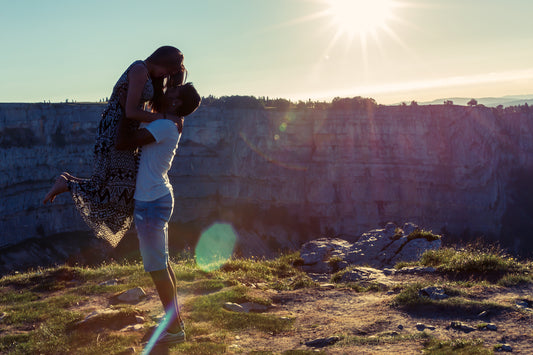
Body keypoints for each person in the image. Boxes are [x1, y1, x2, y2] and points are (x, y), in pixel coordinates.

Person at [43, 46, 186, 247]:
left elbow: (134, 109)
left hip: (123, 130)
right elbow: (130, 111)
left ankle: (68, 181)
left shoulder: (146, 74)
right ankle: (66, 184)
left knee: (119, 187)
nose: (165, 76)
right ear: (161, 60)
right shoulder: (139, 70)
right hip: (113, 131)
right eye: (168, 70)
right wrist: (165, 117)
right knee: (117, 190)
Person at [116, 83, 201, 345]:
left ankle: (175, 330)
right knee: (163, 264)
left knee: (156, 268)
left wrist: (124, 108)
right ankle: (174, 321)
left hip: (151, 202)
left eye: (174, 92)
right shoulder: (170, 122)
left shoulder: (165, 125)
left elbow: (123, 142)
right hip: (157, 197)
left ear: (176, 103)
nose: (167, 92)